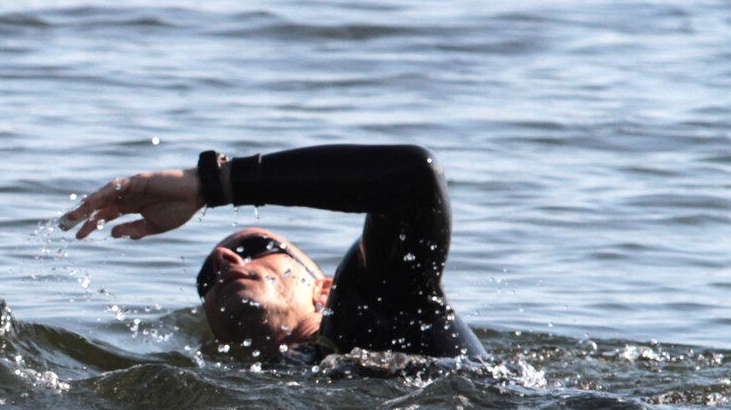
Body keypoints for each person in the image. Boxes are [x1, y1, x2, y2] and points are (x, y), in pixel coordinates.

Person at [59, 144, 485, 364]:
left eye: (254, 249)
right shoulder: (227, 402)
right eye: (206, 278)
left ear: (324, 291)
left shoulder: (381, 313)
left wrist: (213, 185)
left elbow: (414, 179)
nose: (225, 260)